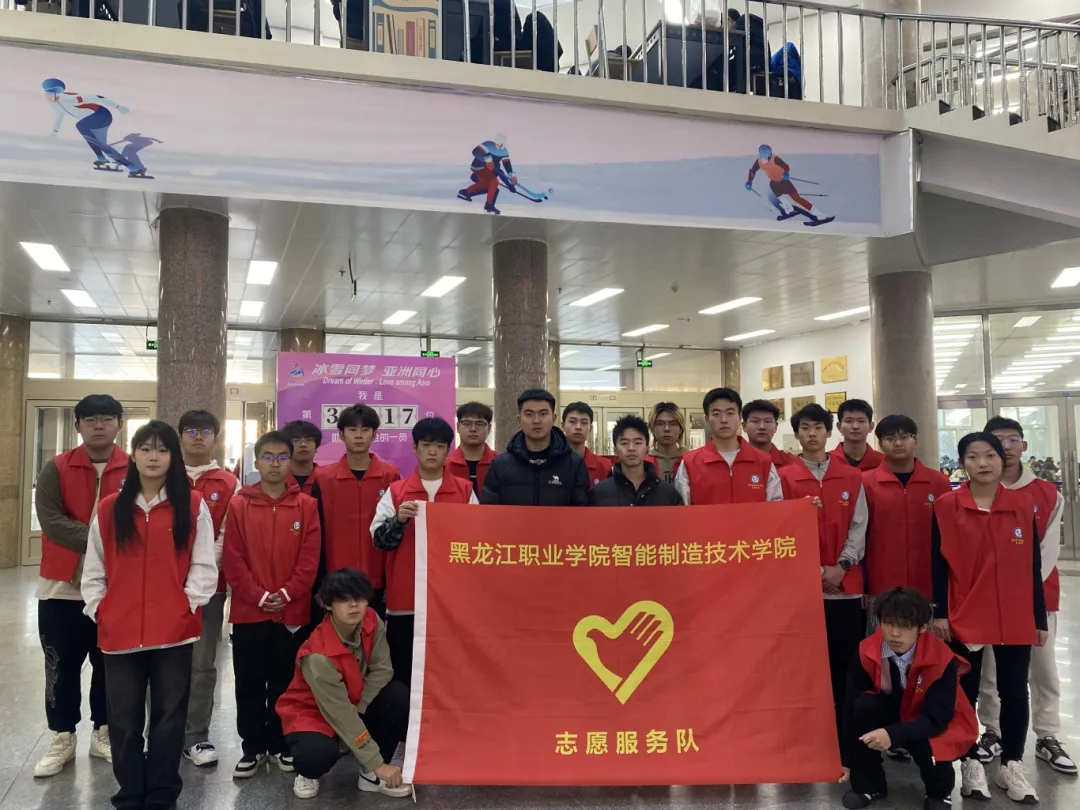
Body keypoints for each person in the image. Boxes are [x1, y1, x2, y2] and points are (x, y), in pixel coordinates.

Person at [81, 421, 218, 810]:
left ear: (173, 457)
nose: (153, 456)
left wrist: (187, 604)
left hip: (174, 632)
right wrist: (100, 608)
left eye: (162, 449)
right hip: (120, 633)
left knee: (169, 719)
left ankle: (161, 795)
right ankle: (129, 794)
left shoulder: (192, 505)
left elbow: (204, 565)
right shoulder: (110, 507)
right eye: (145, 448)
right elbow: (94, 568)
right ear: (133, 454)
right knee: (123, 722)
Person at [931, 432, 1047, 804]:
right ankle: (969, 763)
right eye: (972, 456)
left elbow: (1032, 565)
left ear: (1002, 459)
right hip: (966, 611)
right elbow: (937, 564)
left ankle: (1011, 764)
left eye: (990, 455)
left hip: (1014, 612)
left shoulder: (1022, 504)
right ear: (962, 463)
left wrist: (1039, 617)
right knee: (965, 691)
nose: (982, 463)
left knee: (1014, 690)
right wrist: (940, 613)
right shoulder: (946, 506)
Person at [33, 394, 126, 777]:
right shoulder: (56, 467)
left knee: (110, 666)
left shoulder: (135, 467)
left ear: (119, 423)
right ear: (78, 426)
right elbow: (51, 521)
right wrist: (104, 538)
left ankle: (103, 732)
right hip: (61, 588)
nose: (98, 425)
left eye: (106, 418)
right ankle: (62, 736)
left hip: (114, 588)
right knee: (61, 667)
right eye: (90, 419)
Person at [975, 418, 1073, 774]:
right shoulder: (977, 490)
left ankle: (1047, 735)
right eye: (998, 440)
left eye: (1013, 439)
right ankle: (993, 730)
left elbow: (1048, 550)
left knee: (1043, 669)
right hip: (987, 599)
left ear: (1024, 445)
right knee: (990, 671)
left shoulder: (1047, 494)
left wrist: (1021, 590)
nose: (1006, 446)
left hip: (1037, 598)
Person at [222, 431, 321, 779]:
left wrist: (288, 593)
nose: (275, 464)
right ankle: (252, 747)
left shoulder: (306, 506)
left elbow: (310, 559)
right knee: (249, 681)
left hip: (291, 612)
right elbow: (233, 558)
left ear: (290, 462)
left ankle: (280, 744)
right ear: (257, 462)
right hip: (249, 612)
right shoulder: (239, 505)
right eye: (268, 457)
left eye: (282, 457)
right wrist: (260, 596)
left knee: (285, 682)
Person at [277, 569, 412, 801]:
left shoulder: (371, 620)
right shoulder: (318, 655)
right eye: (344, 599)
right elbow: (339, 711)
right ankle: (306, 773)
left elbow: (383, 670)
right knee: (316, 755)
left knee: (397, 696)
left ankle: (369, 774)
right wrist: (380, 765)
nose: (353, 605)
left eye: (359, 598)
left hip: (354, 700)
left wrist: (358, 711)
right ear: (328, 605)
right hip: (313, 711)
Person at [841, 588, 978, 810]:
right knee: (863, 708)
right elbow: (849, 706)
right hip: (888, 707)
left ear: (922, 627)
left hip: (926, 716)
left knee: (935, 743)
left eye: (905, 626)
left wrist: (894, 734)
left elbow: (937, 717)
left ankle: (939, 792)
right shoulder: (866, 650)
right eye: (888, 623)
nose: (895, 633)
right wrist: (846, 759)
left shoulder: (941, 658)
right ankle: (870, 785)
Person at [778, 403, 867, 734]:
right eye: (805, 428)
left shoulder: (852, 476)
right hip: (802, 590)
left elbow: (859, 526)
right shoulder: (783, 477)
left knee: (846, 663)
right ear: (797, 434)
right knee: (804, 663)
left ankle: (844, 731)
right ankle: (808, 729)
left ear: (830, 432)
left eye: (818, 427)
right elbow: (780, 532)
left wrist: (842, 566)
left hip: (846, 588)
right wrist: (815, 572)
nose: (812, 433)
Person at [372, 417, 477, 686]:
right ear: (415, 448)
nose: (432, 452)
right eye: (426, 445)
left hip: (452, 602)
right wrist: (398, 520)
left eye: (439, 446)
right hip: (406, 601)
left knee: (450, 674)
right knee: (405, 673)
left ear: (448, 451)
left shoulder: (464, 491)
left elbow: (478, 543)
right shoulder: (397, 492)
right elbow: (380, 542)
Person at [177, 410, 241, 768]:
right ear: (180, 436)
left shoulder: (229, 483)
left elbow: (226, 536)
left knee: (201, 665)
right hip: (162, 587)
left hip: (210, 589)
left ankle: (195, 737)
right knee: (160, 663)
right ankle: (161, 735)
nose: (198, 437)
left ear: (216, 438)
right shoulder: (164, 475)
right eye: (191, 430)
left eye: (205, 431)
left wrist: (199, 572)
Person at [311, 405, 401, 614]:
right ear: (341, 435)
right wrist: (318, 583)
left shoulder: (391, 476)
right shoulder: (323, 478)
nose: (359, 435)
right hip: (335, 578)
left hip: (377, 580)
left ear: (374, 434)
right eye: (352, 429)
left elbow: (397, 532)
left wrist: (391, 580)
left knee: (374, 631)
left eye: (365, 429)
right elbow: (315, 535)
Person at [862, 415, 952, 600]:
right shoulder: (865, 483)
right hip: (881, 582)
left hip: (929, 581)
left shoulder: (939, 483)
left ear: (915, 441)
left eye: (904, 437)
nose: (898, 443)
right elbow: (858, 535)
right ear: (880, 444)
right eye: (890, 438)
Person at [481, 389, 590, 506]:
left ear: (554, 418)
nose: (536, 421)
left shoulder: (574, 465)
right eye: (529, 414)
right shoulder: (500, 465)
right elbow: (490, 511)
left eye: (543, 414)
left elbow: (581, 512)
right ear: (519, 420)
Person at [675, 388, 782, 504]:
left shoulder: (763, 462)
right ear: (707, 419)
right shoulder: (689, 463)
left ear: (739, 417)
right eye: (716, 414)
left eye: (730, 413)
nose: (724, 420)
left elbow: (775, 508)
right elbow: (683, 509)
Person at [41, 78, 149, 178]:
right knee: (101, 144)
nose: (47, 96)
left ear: (57, 93)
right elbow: (59, 115)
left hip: (101, 115)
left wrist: (119, 107)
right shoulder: (53, 104)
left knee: (81, 126)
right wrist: (54, 132)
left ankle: (104, 159)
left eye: (50, 94)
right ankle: (132, 167)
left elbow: (98, 97)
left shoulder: (70, 98)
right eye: (46, 93)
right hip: (92, 120)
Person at [590, 416, 683, 506]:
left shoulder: (668, 493)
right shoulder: (599, 493)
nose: (631, 448)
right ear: (615, 450)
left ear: (647, 449)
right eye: (624, 443)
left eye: (637, 443)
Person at [747, 145, 833, 224]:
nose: (763, 160)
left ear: (770, 155)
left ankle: (819, 214)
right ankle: (788, 207)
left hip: (784, 182)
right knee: (773, 186)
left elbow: (785, 166)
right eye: (762, 157)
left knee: (797, 198)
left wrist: (786, 173)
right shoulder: (758, 162)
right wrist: (749, 181)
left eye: (765, 157)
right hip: (774, 183)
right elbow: (753, 171)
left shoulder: (775, 159)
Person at [445, 401, 497, 496]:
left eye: (480, 423)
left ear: (489, 428)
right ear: (458, 427)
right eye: (467, 423)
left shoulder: (501, 463)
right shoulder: (444, 465)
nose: (473, 429)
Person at [458, 135, 516, 215]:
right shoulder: (488, 144)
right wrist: (487, 159)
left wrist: (511, 179)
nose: (501, 144)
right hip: (479, 167)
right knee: (494, 182)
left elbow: (506, 165)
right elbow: (475, 151)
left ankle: (470, 194)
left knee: (494, 189)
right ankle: (486, 203)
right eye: (499, 142)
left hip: (490, 170)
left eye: (503, 142)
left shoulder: (504, 152)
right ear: (496, 141)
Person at [562, 402, 613, 488]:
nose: (578, 427)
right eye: (573, 421)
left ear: (591, 428)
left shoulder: (604, 466)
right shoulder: (551, 462)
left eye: (584, 422)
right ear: (563, 425)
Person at [830, 400, 885, 471]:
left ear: (871, 426)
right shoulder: (827, 462)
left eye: (861, 421)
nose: (855, 426)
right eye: (849, 421)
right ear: (839, 426)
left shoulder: (883, 462)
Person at [741, 399, 796, 468]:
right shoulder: (733, 460)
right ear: (744, 426)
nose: (762, 427)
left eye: (767, 421)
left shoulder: (791, 462)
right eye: (755, 421)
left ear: (776, 427)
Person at [647, 402, 688, 484]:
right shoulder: (644, 462)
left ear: (680, 429)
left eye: (673, 424)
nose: (666, 429)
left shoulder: (691, 460)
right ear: (652, 428)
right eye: (660, 424)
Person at [282, 419, 323, 495]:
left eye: (309, 439)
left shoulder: (327, 479)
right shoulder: (277, 480)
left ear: (316, 448)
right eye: (296, 440)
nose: (303, 444)